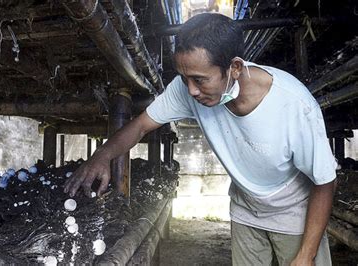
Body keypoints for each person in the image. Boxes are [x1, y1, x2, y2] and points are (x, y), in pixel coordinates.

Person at [64, 13, 337, 266]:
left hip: (295, 214)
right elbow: (140, 126)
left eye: (200, 80)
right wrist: (101, 156)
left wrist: (305, 255)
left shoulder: (293, 105)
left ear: (235, 68)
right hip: (246, 210)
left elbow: (324, 181)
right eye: (184, 79)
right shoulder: (187, 89)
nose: (191, 91)